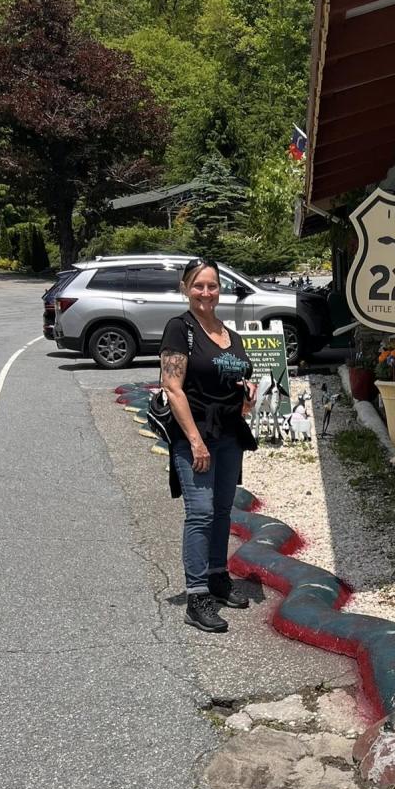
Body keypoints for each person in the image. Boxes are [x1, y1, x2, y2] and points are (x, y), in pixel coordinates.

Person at [160, 258, 255, 633]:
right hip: (195, 435)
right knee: (200, 512)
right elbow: (172, 387)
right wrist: (196, 441)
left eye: (212, 286)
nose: (206, 292)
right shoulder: (179, 329)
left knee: (221, 510)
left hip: (230, 434)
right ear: (185, 288)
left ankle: (217, 576)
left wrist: (247, 393)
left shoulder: (230, 334)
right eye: (198, 285)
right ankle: (197, 596)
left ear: (220, 289)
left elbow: (237, 378)